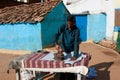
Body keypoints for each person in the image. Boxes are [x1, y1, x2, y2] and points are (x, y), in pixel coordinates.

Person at [54, 15, 80, 80]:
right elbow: (56, 35)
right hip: (64, 50)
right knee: (63, 69)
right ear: (67, 22)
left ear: (74, 23)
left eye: (71, 24)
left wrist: (75, 55)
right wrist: (56, 43)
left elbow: (76, 43)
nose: (69, 26)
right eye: (68, 24)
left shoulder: (77, 30)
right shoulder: (63, 26)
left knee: (71, 70)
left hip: (72, 51)